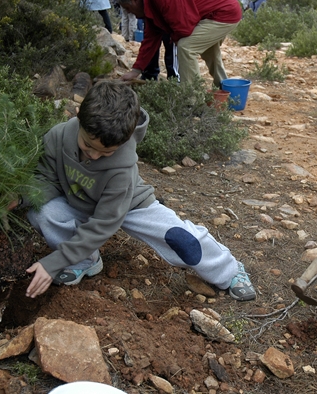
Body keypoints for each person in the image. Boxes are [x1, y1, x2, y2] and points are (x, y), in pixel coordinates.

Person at [24, 80, 256, 302]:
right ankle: (83, 261)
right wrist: (19, 199)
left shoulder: (121, 169)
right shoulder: (58, 136)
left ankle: (230, 270)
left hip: (130, 204)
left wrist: (54, 262)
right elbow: (47, 178)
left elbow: (104, 223)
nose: (93, 156)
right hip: (80, 200)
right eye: (87, 146)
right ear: (79, 120)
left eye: (105, 153)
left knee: (182, 240)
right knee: (41, 211)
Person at [115, 0, 241, 88]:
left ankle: (191, 98)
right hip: (213, 12)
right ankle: (224, 86)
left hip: (224, 11)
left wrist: (173, 37)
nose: (129, 12)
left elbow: (184, 28)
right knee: (209, 50)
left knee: (186, 47)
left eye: (128, 8)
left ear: (134, 0)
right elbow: (150, 38)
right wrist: (136, 70)